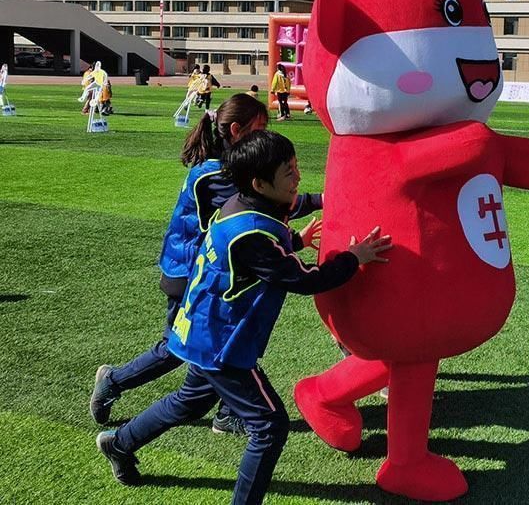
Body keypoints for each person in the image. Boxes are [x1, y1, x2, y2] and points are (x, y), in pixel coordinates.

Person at [95, 130, 392, 505]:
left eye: (296, 166)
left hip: (201, 328)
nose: (298, 177)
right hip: (220, 341)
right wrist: (354, 258)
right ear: (260, 183)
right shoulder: (250, 230)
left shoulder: (242, 204)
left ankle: (120, 443)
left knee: (192, 401)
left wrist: (295, 240)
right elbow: (302, 279)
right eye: (289, 172)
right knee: (270, 426)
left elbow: (259, 261)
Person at [90, 94, 289, 436]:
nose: (264, 138)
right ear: (237, 131)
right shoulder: (218, 174)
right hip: (188, 275)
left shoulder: (228, 166)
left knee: (225, 338)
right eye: (260, 130)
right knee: (179, 348)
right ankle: (114, 381)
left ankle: (226, 412)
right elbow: (263, 202)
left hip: (202, 272)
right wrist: (323, 201)